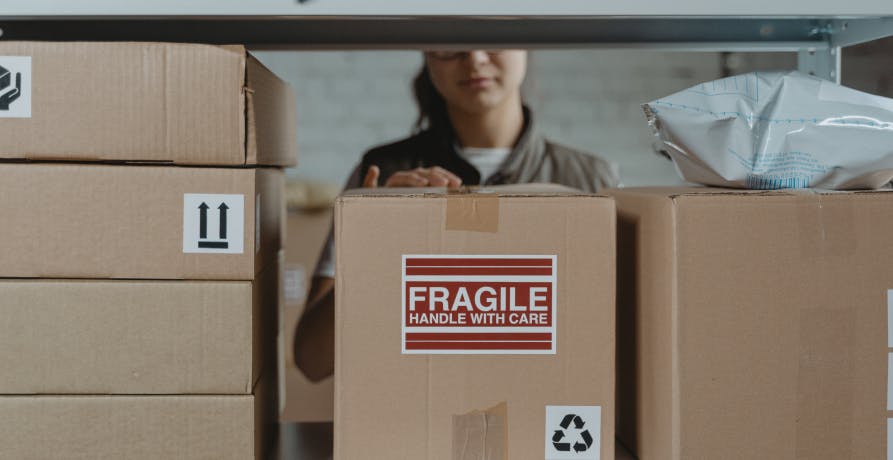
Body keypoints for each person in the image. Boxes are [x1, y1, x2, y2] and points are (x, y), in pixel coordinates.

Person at [295, 49, 619, 381]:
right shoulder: (382, 173)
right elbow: (312, 360)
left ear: (526, 43)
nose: (475, 58)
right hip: (412, 419)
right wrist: (377, 243)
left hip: (545, 417)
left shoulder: (592, 182)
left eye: (492, 37)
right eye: (451, 41)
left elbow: (621, 347)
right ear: (427, 55)